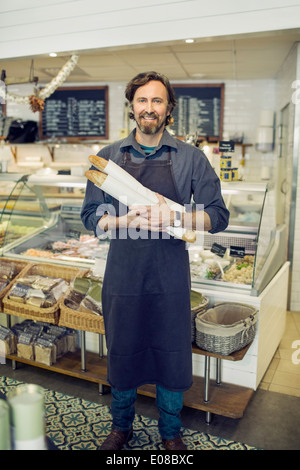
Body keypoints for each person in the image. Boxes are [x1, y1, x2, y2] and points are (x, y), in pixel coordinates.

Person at [81, 71, 229, 450]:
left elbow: (218, 215)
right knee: (123, 349)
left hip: (169, 277)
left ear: (169, 109)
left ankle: (170, 433)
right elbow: (89, 217)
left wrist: (176, 217)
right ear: (132, 107)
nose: (149, 108)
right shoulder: (109, 158)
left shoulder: (191, 159)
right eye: (142, 100)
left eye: (157, 101)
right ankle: (121, 427)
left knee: (172, 352)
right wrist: (120, 221)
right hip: (124, 274)